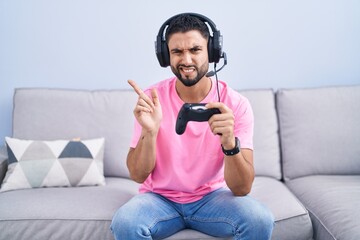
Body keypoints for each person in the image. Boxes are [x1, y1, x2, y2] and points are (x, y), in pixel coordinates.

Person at [111, 13, 274, 240]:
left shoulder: (236, 104)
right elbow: (138, 175)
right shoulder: (152, 99)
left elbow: (242, 188)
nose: (186, 60)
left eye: (195, 50)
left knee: (259, 220)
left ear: (212, 52)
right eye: (177, 52)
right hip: (159, 199)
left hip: (212, 198)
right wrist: (150, 131)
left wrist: (229, 143)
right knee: (126, 223)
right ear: (165, 55)